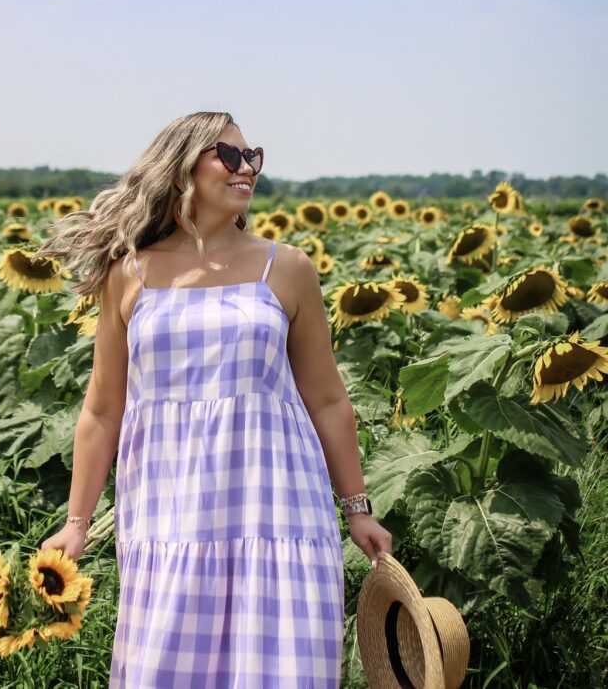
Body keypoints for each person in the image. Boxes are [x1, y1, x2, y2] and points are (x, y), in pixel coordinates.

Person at [35, 110, 392, 685]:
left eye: (253, 156)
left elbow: (328, 400)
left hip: (276, 510)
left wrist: (358, 509)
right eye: (229, 155)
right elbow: (102, 410)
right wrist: (77, 523)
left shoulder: (287, 268)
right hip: (168, 511)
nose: (246, 167)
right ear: (182, 169)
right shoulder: (130, 274)